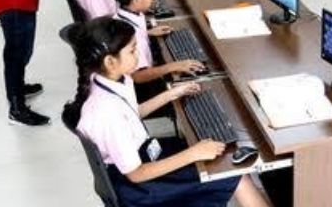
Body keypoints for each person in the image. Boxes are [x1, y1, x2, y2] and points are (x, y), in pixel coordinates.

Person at [62, 17, 270, 207]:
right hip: (139, 186)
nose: (138, 55)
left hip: (143, 156)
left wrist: (172, 94)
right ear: (110, 61)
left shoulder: (109, 80)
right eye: (132, 51)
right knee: (229, 173)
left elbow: (132, 114)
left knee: (215, 155)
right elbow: (136, 174)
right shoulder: (107, 111)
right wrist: (193, 154)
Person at [110, 0, 205, 85]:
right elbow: (138, 76)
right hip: (142, 85)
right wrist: (174, 66)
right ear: (136, 0)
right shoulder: (132, 35)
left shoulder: (124, 12)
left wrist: (147, 32)